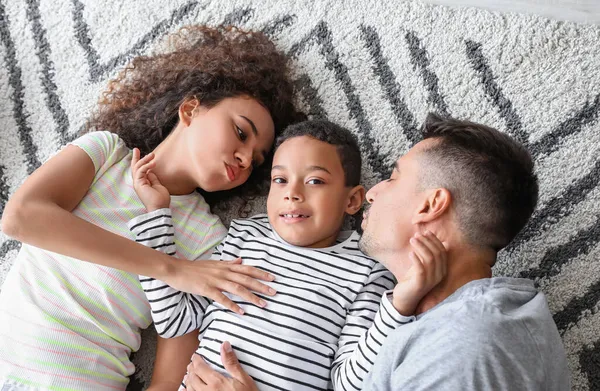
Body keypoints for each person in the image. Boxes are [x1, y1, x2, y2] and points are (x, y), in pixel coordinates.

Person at [0, 25, 303, 390]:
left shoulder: (209, 240)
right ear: (190, 109)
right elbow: (21, 218)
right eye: (241, 132)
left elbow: (168, 380)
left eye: (255, 161)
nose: (244, 157)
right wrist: (170, 269)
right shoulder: (106, 155)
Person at [183, 114, 570, 391]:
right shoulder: (468, 322)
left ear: (430, 205)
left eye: (395, 177)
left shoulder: (467, 351)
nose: (373, 191)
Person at [131, 120, 447, 391]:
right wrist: (156, 214)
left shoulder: (366, 273)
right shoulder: (245, 238)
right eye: (279, 180)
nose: (291, 193)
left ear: (352, 200)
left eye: (315, 181)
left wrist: (400, 305)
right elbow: (175, 320)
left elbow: (350, 383)